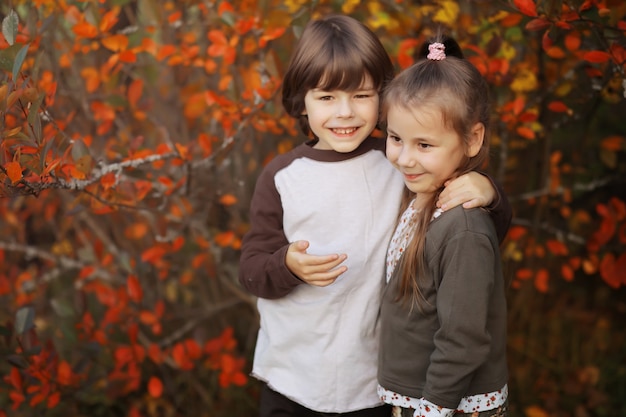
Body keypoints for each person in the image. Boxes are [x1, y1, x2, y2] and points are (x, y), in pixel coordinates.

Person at [239, 16, 511, 417]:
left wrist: (491, 194)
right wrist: (287, 265)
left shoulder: (398, 160)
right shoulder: (283, 178)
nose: (345, 113)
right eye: (327, 97)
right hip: (293, 377)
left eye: (362, 95)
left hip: (373, 383)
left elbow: (467, 237)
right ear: (302, 100)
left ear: (383, 97)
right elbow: (250, 269)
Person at [377, 35, 509, 417]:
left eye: (424, 145)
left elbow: (463, 340)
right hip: (416, 399)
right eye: (395, 138)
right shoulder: (419, 197)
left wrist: (432, 410)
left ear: (472, 139)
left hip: (446, 407)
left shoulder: (463, 228)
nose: (404, 159)